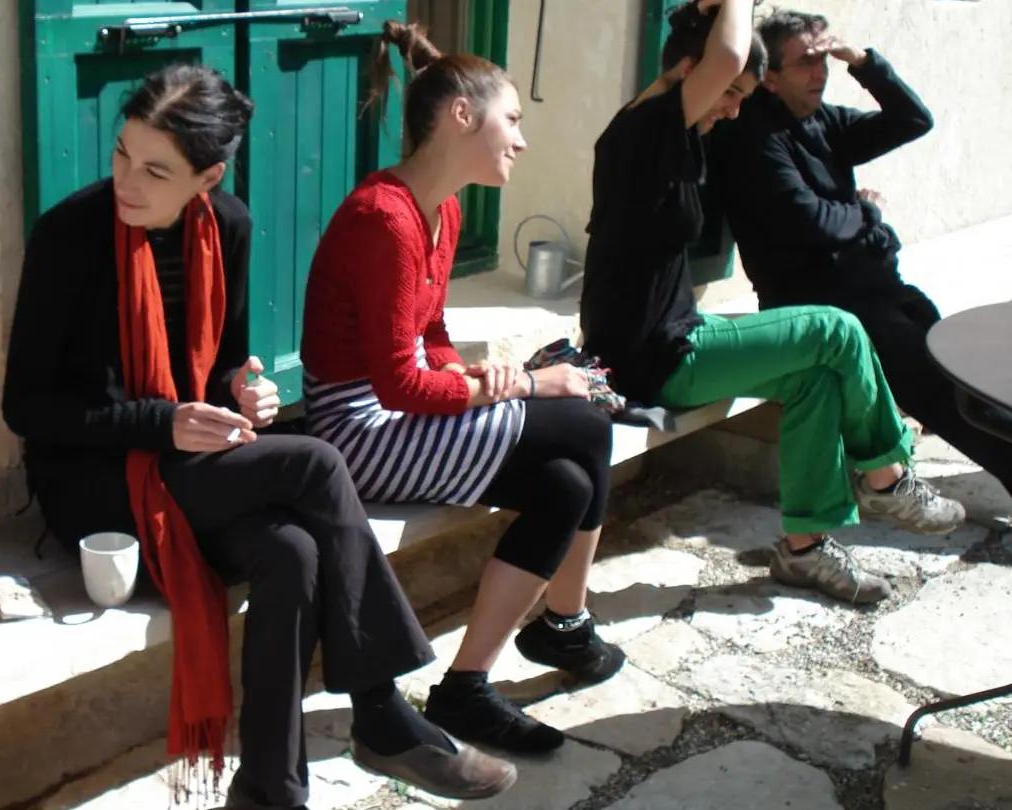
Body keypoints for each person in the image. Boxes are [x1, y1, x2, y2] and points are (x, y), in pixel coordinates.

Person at [1, 64, 515, 810]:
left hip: (191, 466)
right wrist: (162, 421)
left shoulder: (228, 227)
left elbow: (220, 373)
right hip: (98, 487)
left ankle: (270, 792)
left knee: (293, 552)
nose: (126, 181)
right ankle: (381, 713)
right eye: (122, 153)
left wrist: (244, 393)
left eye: (155, 170)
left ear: (207, 177)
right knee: (317, 464)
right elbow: (25, 407)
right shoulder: (69, 235)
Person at [300, 21, 623, 759]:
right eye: (513, 119)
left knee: (567, 483)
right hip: (358, 433)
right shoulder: (382, 218)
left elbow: (432, 332)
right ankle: (566, 626)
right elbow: (395, 384)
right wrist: (527, 385)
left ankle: (467, 688)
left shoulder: (441, 211)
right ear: (461, 115)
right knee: (587, 423)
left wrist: (470, 375)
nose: (522, 140)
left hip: (404, 411)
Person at [578, 0, 965, 608]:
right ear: (690, 73)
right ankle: (888, 476)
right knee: (836, 331)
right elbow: (726, 52)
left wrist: (701, 11)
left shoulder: (669, 134)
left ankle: (805, 549)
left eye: (743, 95)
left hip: (671, 336)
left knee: (817, 375)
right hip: (652, 357)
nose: (734, 108)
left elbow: (907, 118)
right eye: (730, 92)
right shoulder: (647, 128)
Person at [716, 9, 1012, 503]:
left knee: (965, 371)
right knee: (940, 390)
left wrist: (862, 61)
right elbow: (814, 223)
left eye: (825, 59)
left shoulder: (821, 120)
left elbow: (913, 120)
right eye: (806, 62)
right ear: (769, 78)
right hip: (821, 305)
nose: (820, 72)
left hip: (871, 287)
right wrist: (868, 213)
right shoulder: (755, 138)